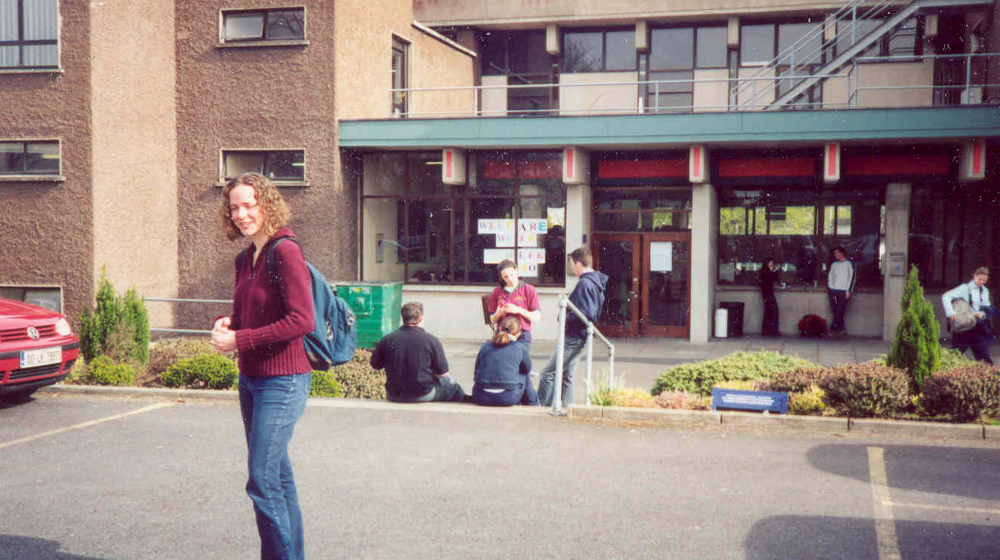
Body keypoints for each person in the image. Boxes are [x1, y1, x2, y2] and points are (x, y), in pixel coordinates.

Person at [211, 172, 313, 560]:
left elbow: (302, 320)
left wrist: (239, 340)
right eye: (234, 207)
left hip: (283, 381)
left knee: (263, 480)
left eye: (249, 204)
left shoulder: (284, 250)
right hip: (251, 379)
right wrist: (230, 324)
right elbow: (249, 316)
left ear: (266, 204)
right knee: (278, 480)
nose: (241, 213)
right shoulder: (245, 258)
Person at [537, 247, 608, 409]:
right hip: (581, 337)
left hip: (574, 337)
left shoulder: (585, 283)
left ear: (578, 263)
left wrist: (565, 316)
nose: (571, 268)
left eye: (571, 264)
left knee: (548, 373)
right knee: (567, 374)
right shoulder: (595, 282)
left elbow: (586, 313)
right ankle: (566, 406)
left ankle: (540, 407)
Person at [369, 302, 467, 402]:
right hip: (423, 393)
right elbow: (442, 373)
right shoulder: (431, 340)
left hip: (393, 394)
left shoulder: (387, 339)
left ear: (403, 318)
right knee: (453, 386)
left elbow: (375, 365)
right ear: (420, 319)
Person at [472, 316, 539, 406]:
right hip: (508, 397)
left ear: (499, 328)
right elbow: (527, 369)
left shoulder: (485, 346)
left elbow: (476, 371)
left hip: (481, 396)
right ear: (519, 333)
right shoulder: (520, 347)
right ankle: (534, 404)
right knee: (524, 375)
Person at [943, 267, 997, 364]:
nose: (981, 282)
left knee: (983, 356)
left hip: (977, 326)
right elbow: (946, 296)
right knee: (955, 355)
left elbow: (986, 306)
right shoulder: (965, 288)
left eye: (984, 280)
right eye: (980, 279)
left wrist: (983, 313)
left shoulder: (985, 290)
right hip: (964, 326)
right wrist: (950, 312)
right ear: (974, 276)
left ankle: (988, 376)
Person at [487, 259, 541, 348]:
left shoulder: (529, 289)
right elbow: (492, 320)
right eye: (505, 277)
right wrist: (498, 313)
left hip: (521, 334)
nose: (510, 279)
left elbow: (537, 317)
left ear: (516, 271)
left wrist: (518, 310)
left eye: (511, 275)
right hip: (502, 334)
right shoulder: (497, 292)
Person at [826, 246, 856, 338]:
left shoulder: (848, 264)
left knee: (839, 311)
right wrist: (831, 288)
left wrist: (848, 290)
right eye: (834, 253)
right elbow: (830, 276)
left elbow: (851, 278)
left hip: (843, 291)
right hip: (833, 290)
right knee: (837, 311)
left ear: (842, 253)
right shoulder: (834, 265)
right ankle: (842, 329)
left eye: (837, 253)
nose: (835, 255)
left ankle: (832, 329)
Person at [759, 257, 780, 337]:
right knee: (773, 310)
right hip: (767, 293)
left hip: (767, 292)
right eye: (770, 263)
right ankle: (772, 330)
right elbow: (770, 280)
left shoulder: (766, 271)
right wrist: (774, 272)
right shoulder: (765, 272)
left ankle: (767, 330)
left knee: (769, 311)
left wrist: (774, 271)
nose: (772, 264)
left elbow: (774, 279)